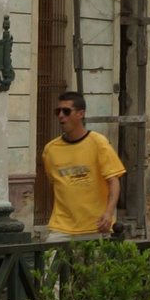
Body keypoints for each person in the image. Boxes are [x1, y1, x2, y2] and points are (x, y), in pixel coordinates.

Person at [38, 89, 126, 241]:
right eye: (57, 111)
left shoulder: (98, 143)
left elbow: (113, 181)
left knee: (96, 265)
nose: (61, 116)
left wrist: (108, 213)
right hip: (61, 227)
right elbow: (54, 186)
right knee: (50, 263)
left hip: (95, 226)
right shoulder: (50, 150)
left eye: (66, 111)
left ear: (80, 114)